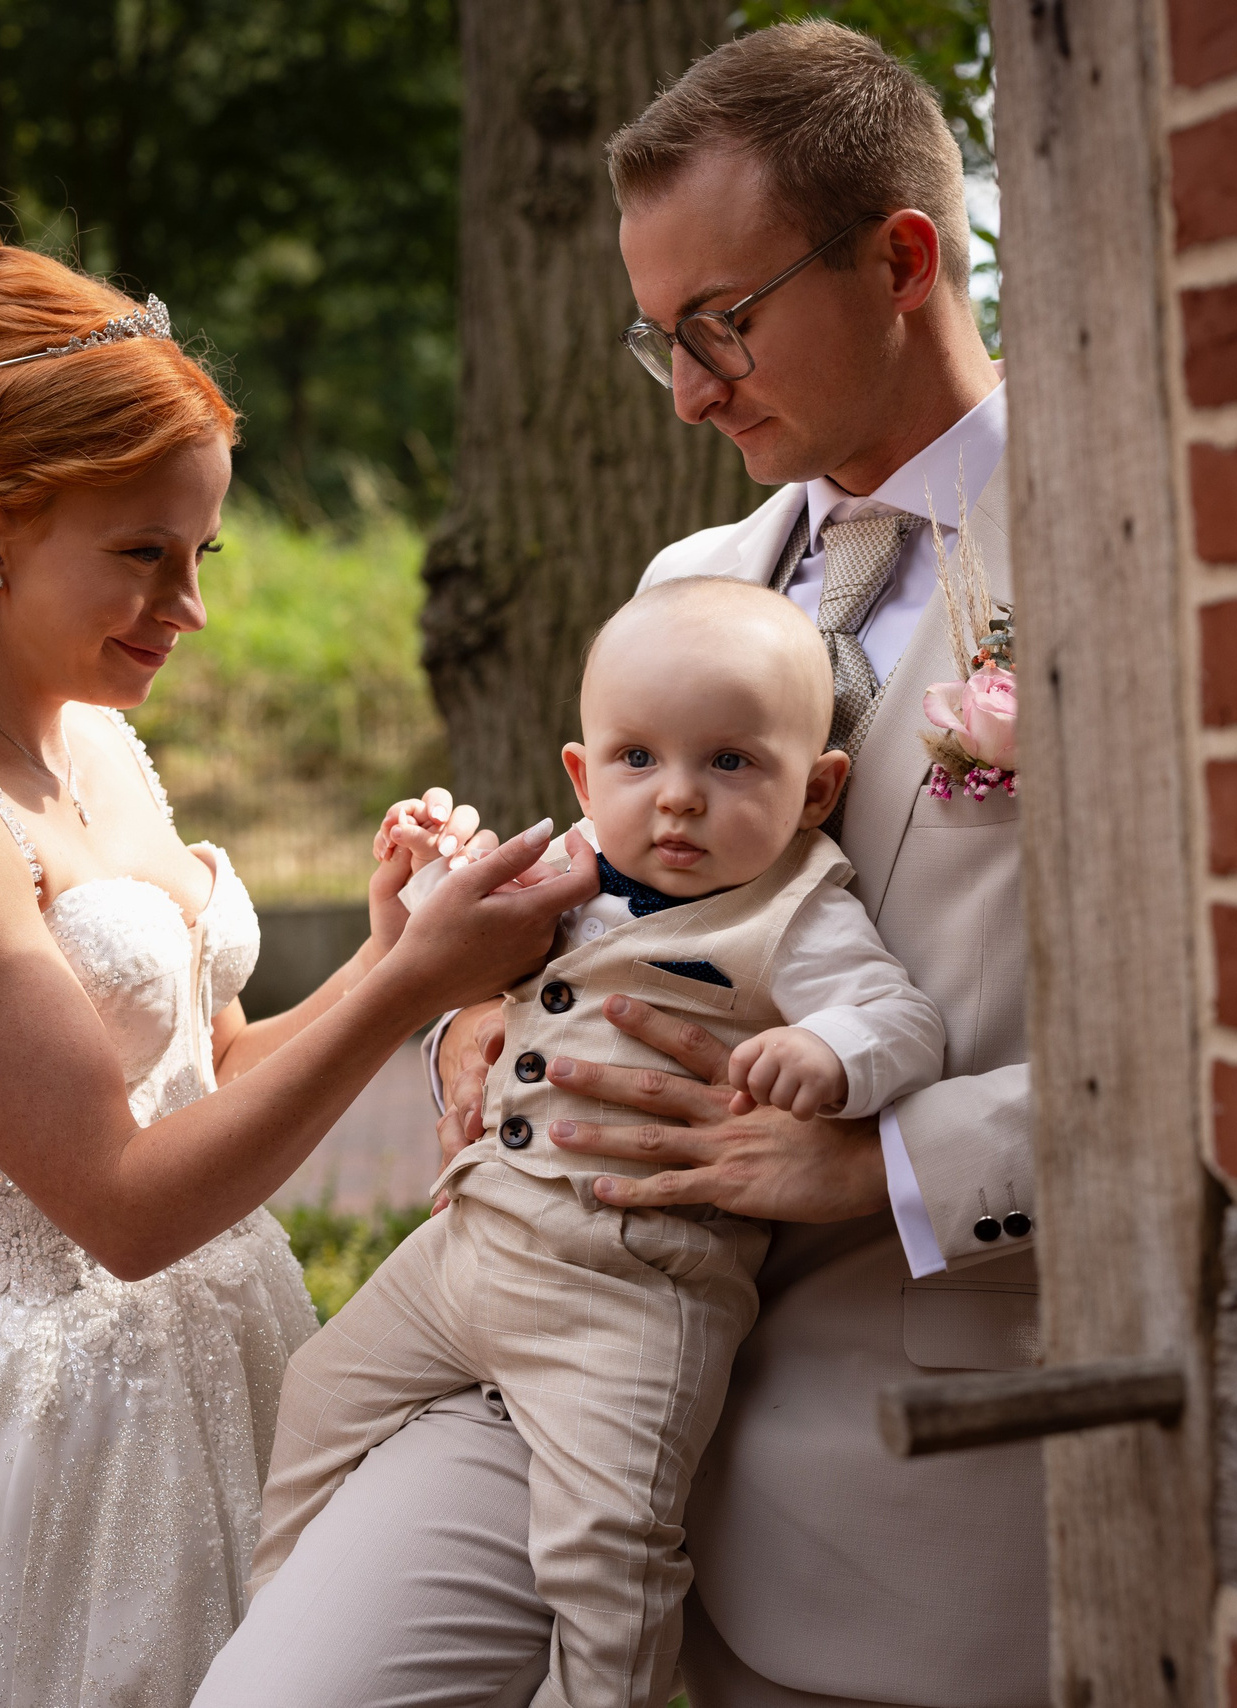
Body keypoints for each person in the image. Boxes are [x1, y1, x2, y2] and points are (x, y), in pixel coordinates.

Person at [217, 21, 1045, 1707]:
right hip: (536, 1346)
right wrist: (468, 1004)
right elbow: (632, 901)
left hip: (899, 1446)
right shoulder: (686, 573)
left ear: (901, 259)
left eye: (721, 324)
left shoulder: (1124, 554)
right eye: (654, 339)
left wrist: (884, 1166)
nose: (686, 390)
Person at [0, 200, 595, 1708]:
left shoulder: (97, 746)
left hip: (245, 1360)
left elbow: (203, 1077)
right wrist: (404, 987)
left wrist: (394, 949)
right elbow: (126, 1210)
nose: (190, 610)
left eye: (201, 551)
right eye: (146, 555)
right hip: (60, 1444)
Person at [223, 580, 945, 1708]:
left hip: (629, 1293)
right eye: (638, 761)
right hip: (468, 1248)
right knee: (317, 1391)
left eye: (731, 765)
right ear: (581, 773)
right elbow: (476, 967)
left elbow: (903, 1019)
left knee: (607, 1551)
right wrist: (427, 884)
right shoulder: (564, 866)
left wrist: (833, 1056)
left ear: (818, 791)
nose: (677, 802)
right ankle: (279, 1597)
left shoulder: (796, 914)